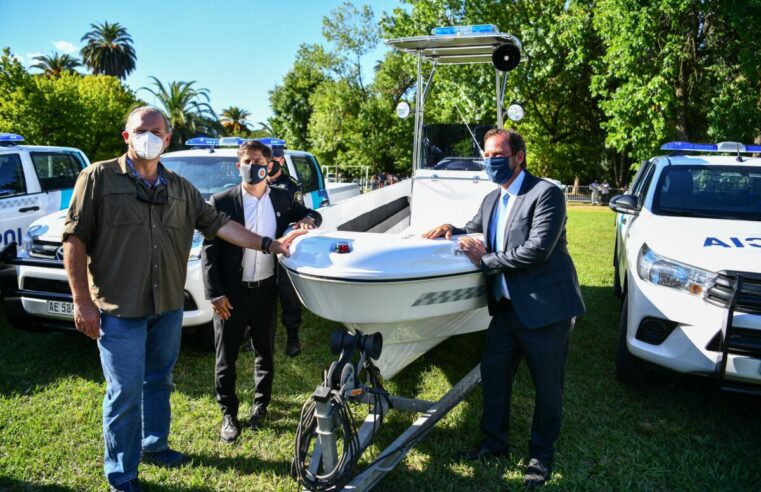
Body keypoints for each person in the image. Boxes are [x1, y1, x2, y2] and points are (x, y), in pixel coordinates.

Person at [62, 106, 304, 492]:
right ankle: (121, 474)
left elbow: (222, 226)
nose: (148, 136)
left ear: (168, 138)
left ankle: (155, 446)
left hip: (167, 306)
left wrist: (268, 244)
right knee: (125, 392)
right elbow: (75, 241)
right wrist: (81, 302)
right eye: (141, 130)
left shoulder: (180, 188)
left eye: (156, 131)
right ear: (126, 136)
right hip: (119, 309)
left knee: (159, 380)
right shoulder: (98, 178)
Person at [423, 128, 585, 488]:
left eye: (497, 154)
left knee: (547, 388)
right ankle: (493, 444)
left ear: (518, 156)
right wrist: (452, 228)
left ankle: (540, 456)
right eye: (487, 154)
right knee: (494, 378)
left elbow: (538, 249)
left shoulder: (547, 194)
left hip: (545, 311)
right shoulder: (492, 199)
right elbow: (476, 230)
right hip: (506, 311)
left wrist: (487, 261)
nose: (490, 161)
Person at [202, 140, 322, 444]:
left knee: (264, 352)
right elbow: (209, 251)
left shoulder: (282, 198)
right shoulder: (222, 201)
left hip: (266, 289)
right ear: (238, 164)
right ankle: (229, 413)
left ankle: (261, 406)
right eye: (247, 160)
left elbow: (312, 214)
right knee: (226, 356)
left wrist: (308, 219)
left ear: (269, 166)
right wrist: (215, 293)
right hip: (231, 293)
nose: (253, 166)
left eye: (259, 161)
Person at [267, 146, 310, 356]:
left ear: (281, 161)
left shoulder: (289, 187)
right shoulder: (254, 185)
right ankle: (254, 334)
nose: (267, 163)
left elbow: (306, 213)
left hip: (283, 249)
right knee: (260, 296)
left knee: (288, 296)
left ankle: (292, 337)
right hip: (259, 249)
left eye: (272, 159)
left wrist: (308, 219)